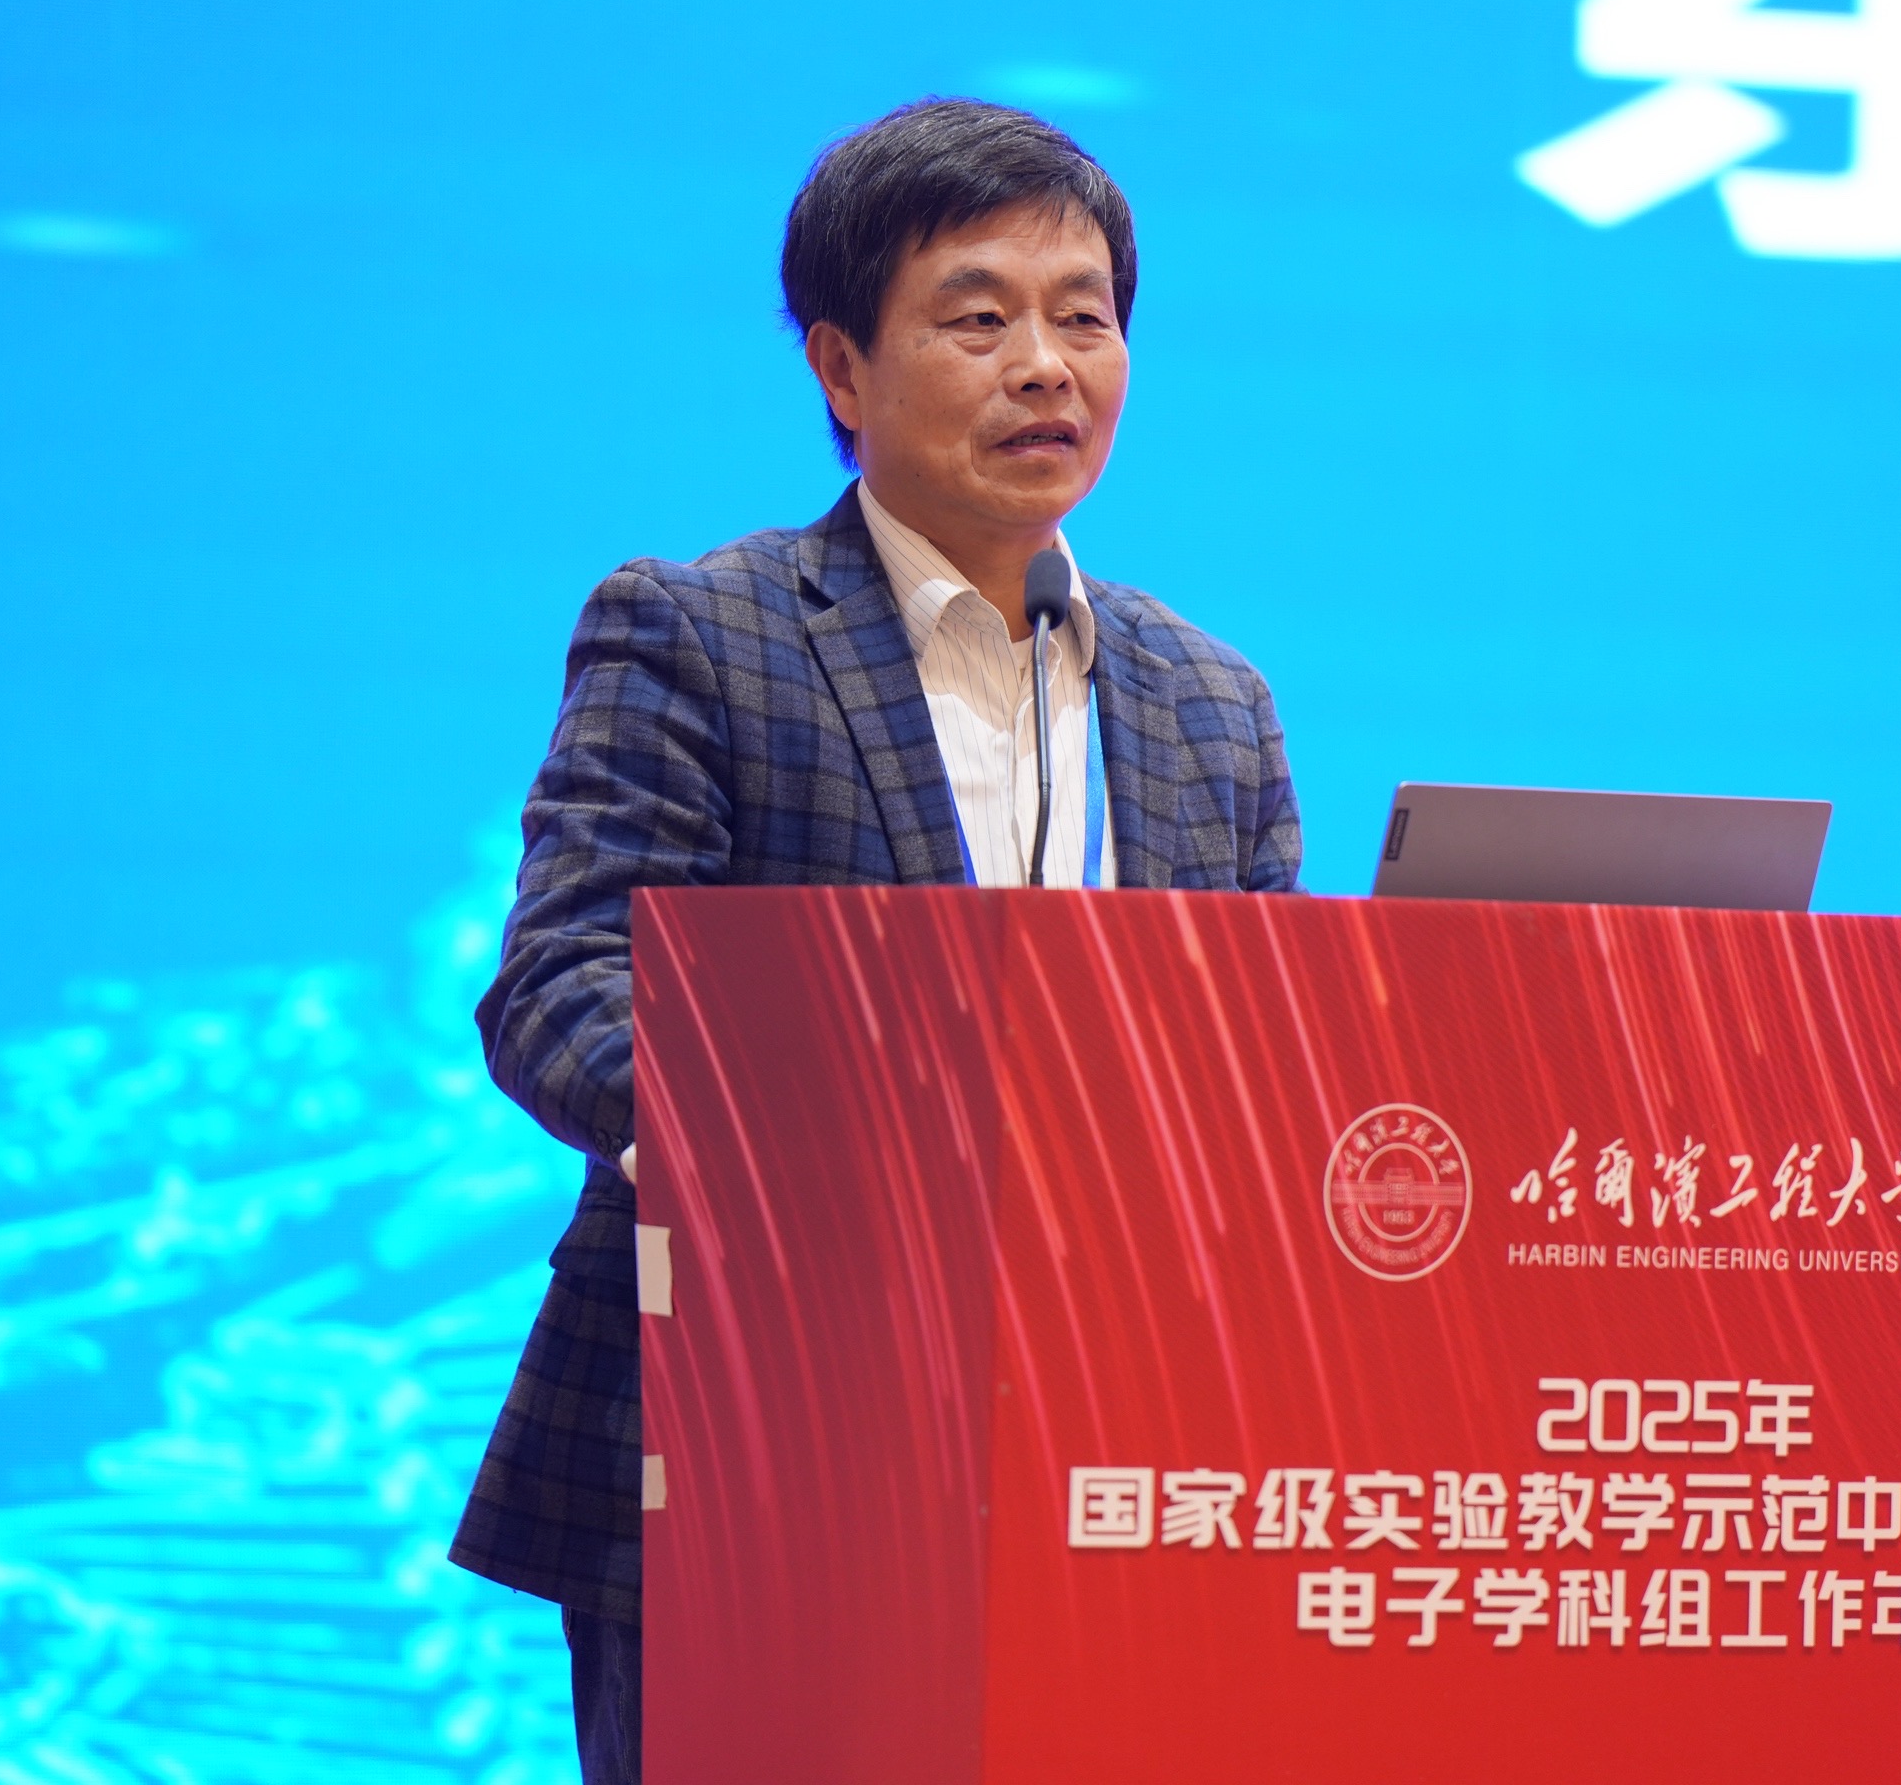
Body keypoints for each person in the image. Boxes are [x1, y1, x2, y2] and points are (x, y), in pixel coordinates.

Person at [447, 98, 1302, 1783]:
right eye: (979, 319)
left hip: (1116, 1451)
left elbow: (1270, 1051)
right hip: (753, 1439)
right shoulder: (702, 632)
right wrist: (791, 1156)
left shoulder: (1213, 701)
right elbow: (562, 985)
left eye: (1084, 318)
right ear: (841, 367)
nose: (1046, 367)